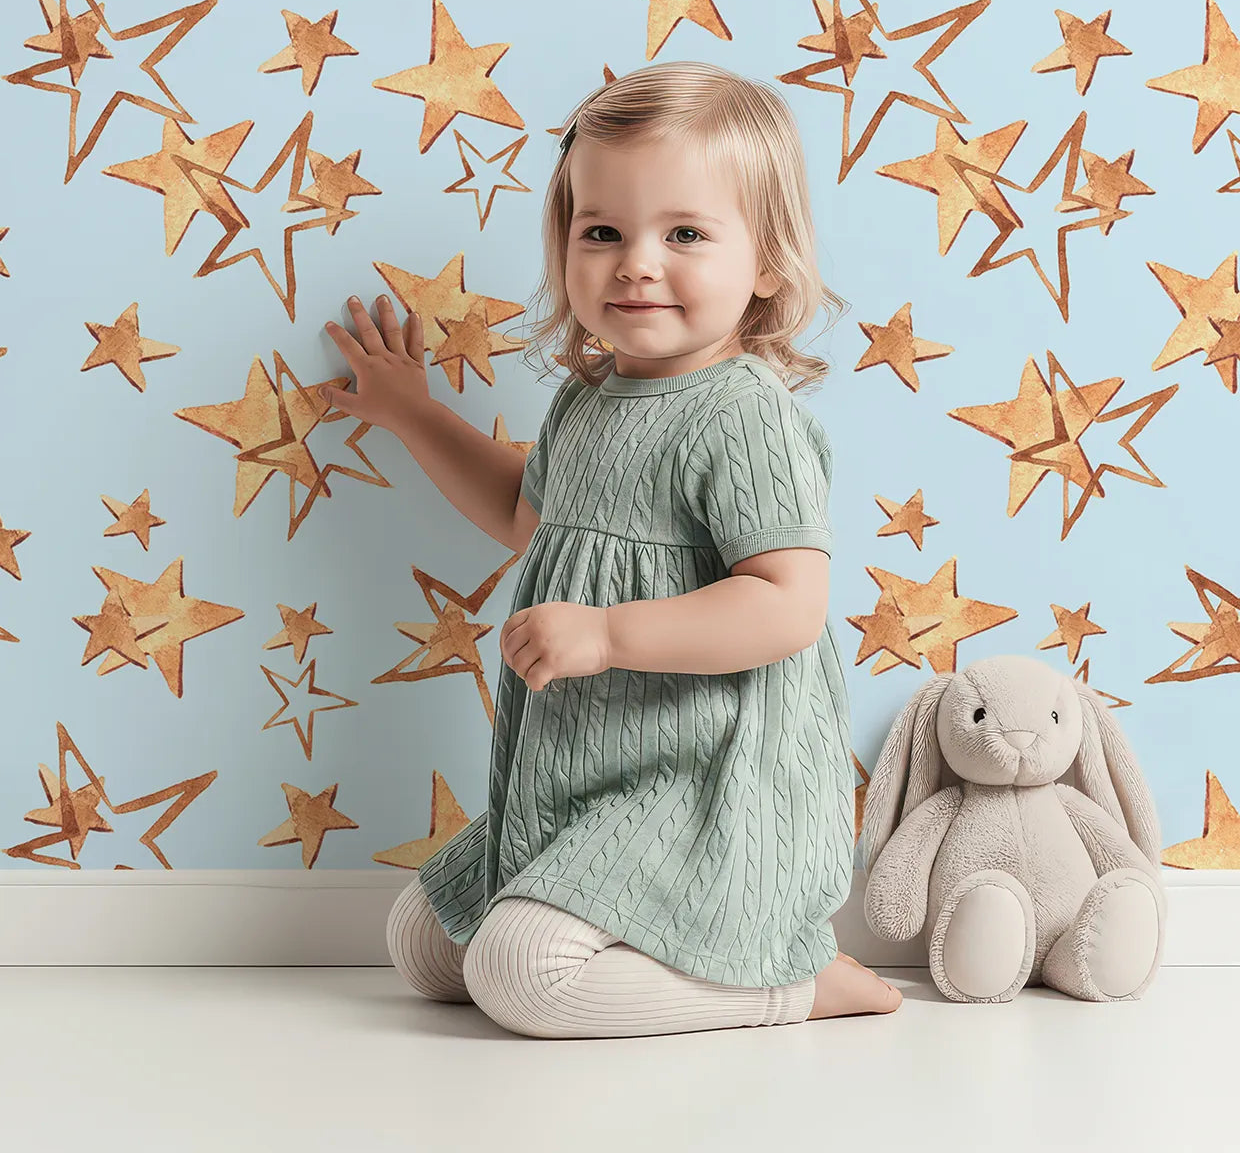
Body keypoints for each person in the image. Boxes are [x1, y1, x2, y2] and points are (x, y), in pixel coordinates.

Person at [322, 60, 903, 1038]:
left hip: (699, 783)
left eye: (682, 233)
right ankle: (625, 937)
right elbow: (523, 514)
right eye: (602, 232)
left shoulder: (742, 416)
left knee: (519, 975)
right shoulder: (588, 399)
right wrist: (415, 415)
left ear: (763, 261)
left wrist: (607, 632)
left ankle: (794, 987)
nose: (636, 261)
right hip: (581, 774)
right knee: (424, 945)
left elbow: (783, 602)